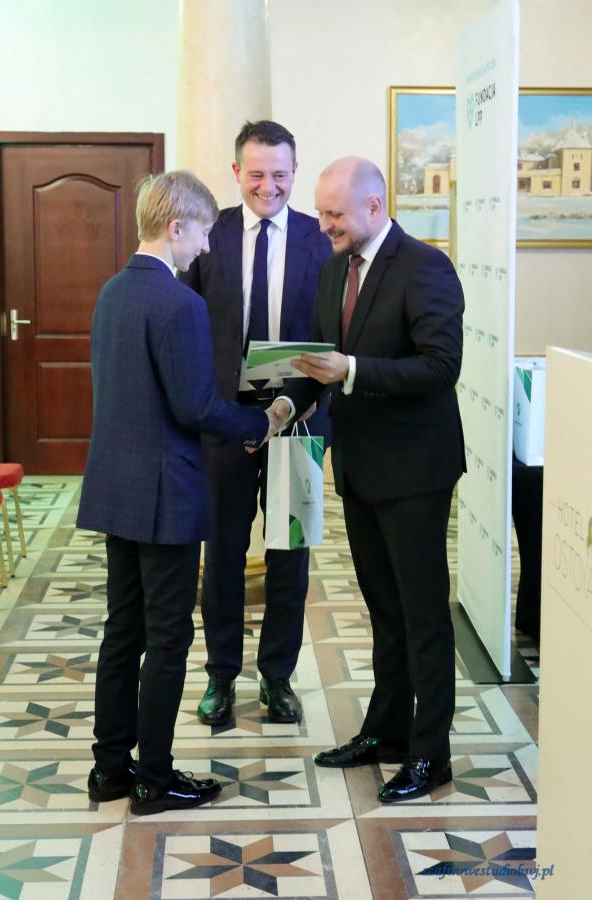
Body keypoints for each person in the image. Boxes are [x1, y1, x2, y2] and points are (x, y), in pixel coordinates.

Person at [77, 170, 277, 816]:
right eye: (203, 233)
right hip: (166, 495)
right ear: (176, 226)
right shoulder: (179, 303)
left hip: (117, 487)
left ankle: (110, 768)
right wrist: (259, 423)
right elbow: (195, 407)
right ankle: (155, 779)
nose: (207, 247)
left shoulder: (111, 292)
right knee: (167, 638)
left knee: (122, 631)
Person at [273, 157, 466, 802]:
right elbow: (320, 360)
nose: (324, 224)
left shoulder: (426, 266)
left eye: (335, 214)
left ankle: (430, 754)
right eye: (321, 212)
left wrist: (352, 370)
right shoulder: (335, 269)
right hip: (358, 466)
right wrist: (286, 402)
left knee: (422, 615)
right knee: (384, 609)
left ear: (375, 206)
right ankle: (386, 731)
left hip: (414, 471)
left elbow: (440, 367)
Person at [181, 120, 331, 726]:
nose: (268, 186)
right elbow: (186, 323)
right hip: (226, 422)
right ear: (236, 172)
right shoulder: (209, 233)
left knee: (290, 553)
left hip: (299, 421)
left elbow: (334, 333)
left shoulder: (320, 238)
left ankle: (277, 677)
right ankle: (221, 676)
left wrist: (297, 400)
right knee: (222, 551)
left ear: (295, 173)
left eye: (280, 174)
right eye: (257, 173)